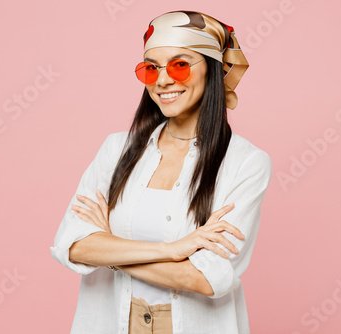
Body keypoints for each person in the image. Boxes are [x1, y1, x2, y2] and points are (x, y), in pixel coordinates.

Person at [50, 10, 272, 334]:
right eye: (151, 68)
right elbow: (71, 246)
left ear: (211, 69)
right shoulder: (117, 151)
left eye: (179, 65)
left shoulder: (245, 163)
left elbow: (207, 277)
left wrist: (110, 250)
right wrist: (173, 251)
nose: (163, 80)